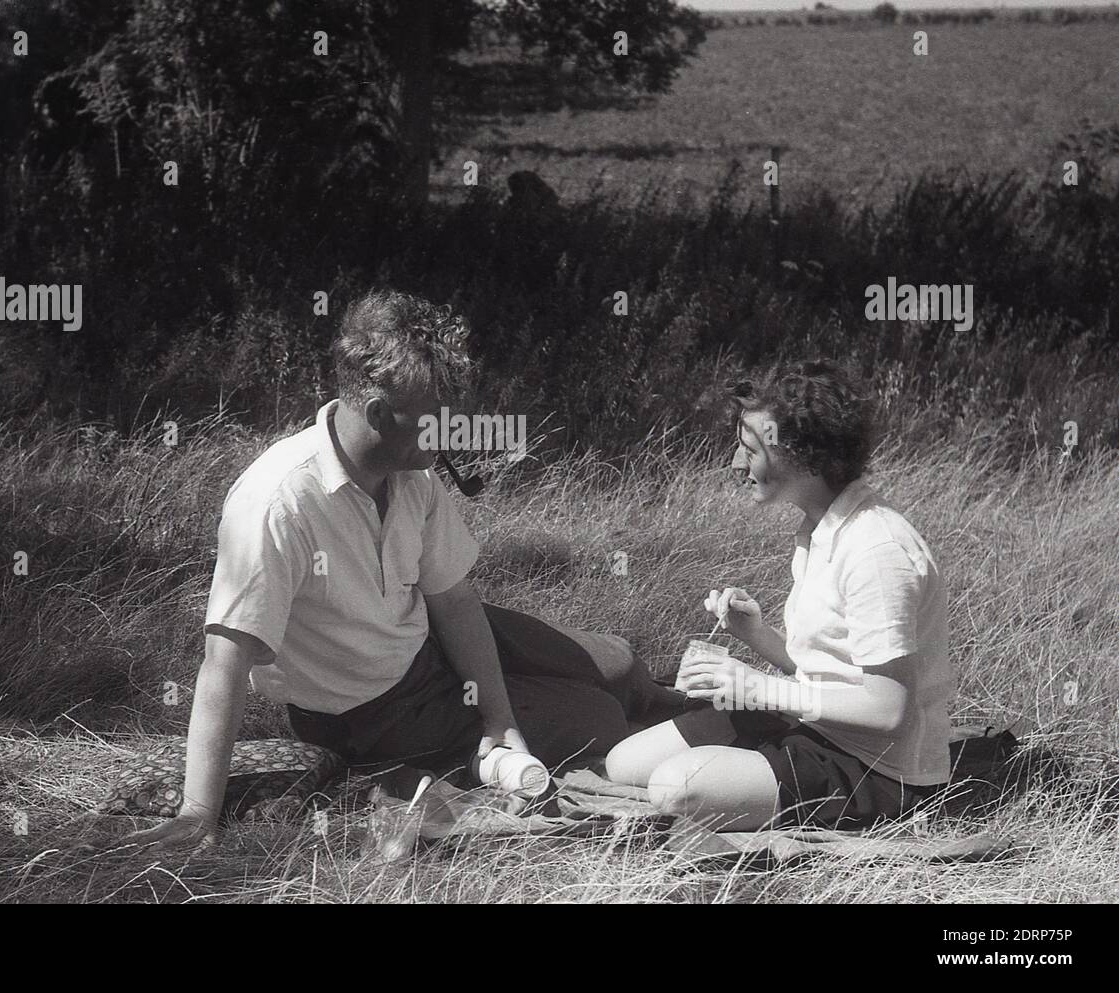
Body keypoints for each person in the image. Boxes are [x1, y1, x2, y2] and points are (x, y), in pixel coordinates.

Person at [115, 290, 685, 849]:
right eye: (439, 420)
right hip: (370, 708)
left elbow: (454, 602)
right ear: (380, 414)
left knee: (617, 662)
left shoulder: (414, 476)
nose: (455, 432)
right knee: (599, 718)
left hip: (425, 640)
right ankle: (701, 737)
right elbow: (225, 660)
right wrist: (198, 812)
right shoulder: (279, 503)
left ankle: (706, 707)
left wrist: (501, 722)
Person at [606, 361, 954, 831]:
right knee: (624, 765)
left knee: (676, 787)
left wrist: (755, 689)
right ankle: (751, 765)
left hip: (879, 770)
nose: (734, 463)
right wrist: (756, 635)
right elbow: (829, 675)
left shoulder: (875, 551)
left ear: (798, 454)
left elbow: (888, 709)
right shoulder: (819, 530)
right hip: (814, 727)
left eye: (747, 450)